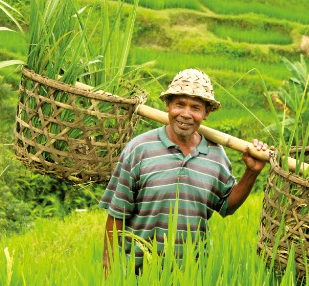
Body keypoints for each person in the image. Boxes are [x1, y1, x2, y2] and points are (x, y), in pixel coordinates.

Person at [99, 68, 272, 275]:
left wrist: (251, 173)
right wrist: (108, 267)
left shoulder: (217, 156)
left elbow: (227, 206)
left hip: (193, 273)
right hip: (138, 273)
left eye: (195, 107)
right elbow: (118, 213)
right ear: (168, 105)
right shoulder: (139, 149)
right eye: (180, 104)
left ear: (206, 113)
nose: (186, 114)